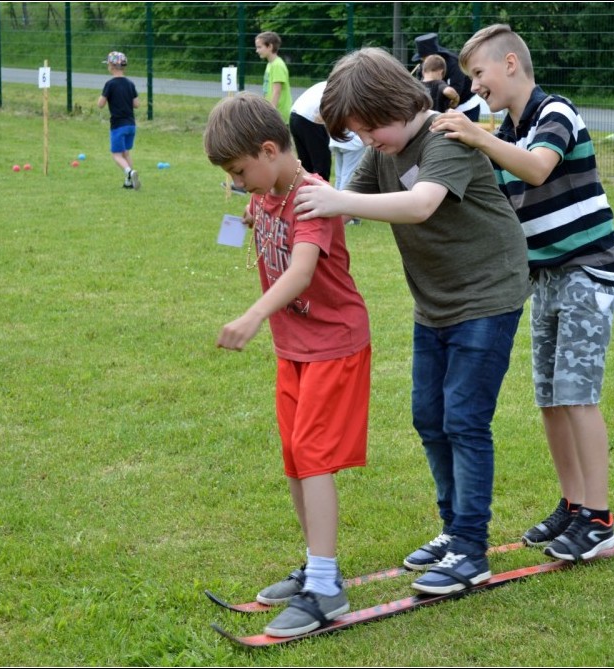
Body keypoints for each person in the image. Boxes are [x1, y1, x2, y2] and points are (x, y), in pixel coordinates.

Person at [294, 47, 531, 596]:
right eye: (357, 134)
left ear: (393, 105)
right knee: (429, 416)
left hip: (488, 294)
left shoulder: (448, 136)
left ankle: (471, 549)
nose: (366, 142)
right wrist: (293, 204)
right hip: (435, 302)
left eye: (368, 128)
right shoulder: (384, 151)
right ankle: (453, 530)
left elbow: (421, 203)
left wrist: (333, 201)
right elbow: (346, 205)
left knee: (465, 419)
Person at [430, 24, 614, 563]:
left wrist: (478, 136)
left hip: (589, 270)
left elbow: (539, 169)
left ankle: (600, 519)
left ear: (511, 64)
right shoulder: (507, 129)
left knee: (576, 394)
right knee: (550, 398)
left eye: (478, 74)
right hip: (544, 277)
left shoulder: (554, 114)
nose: (474, 87)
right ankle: (573, 503)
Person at [202, 92, 372, 637]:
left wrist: (252, 316)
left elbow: (300, 273)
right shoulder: (266, 194)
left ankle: (326, 589)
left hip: (334, 345)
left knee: (316, 458)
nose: (236, 182)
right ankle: (315, 566)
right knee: (297, 458)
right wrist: (240, 223)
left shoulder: (311, 197)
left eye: (239, 170)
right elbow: (254, 218)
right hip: (295, 349)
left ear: (270, 150)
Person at [412, 33, 481, 121]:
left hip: (465, 106)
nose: (425, 63)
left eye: (426, 59)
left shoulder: (454, 64)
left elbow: (456, 90)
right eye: (423, 60)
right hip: (440, 110)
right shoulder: (424, 66)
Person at [97, 51, 140, 190]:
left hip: (118, 126)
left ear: (111, 66)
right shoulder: (130, 83)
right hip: (131, 125)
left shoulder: (110, 84)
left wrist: (105, 96)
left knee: (116, 155)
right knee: (125, 152)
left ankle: (129, 172)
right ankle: (129, 182)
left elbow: (100, 104)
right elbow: (137, 104)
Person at [289, 81, 332, 181]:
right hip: (309, 118)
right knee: (322, 164)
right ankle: (321, 193)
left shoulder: (327, 83)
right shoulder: (340, 86)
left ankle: (304, 192)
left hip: (295, 115)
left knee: (306, 164)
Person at [328, 131, 365, 225]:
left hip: (337, 139)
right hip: (352, 142)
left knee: (340, 177)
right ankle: (344, 213)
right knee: (348, 176)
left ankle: (335, 210)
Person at [255, 31, 292, 123]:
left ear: (270, 46)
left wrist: (271, 113)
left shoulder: (277, 65)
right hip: (272, 112)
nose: (257, 50)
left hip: (279, 114)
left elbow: (277, 91)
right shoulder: (270, 64)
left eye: (259, 47)